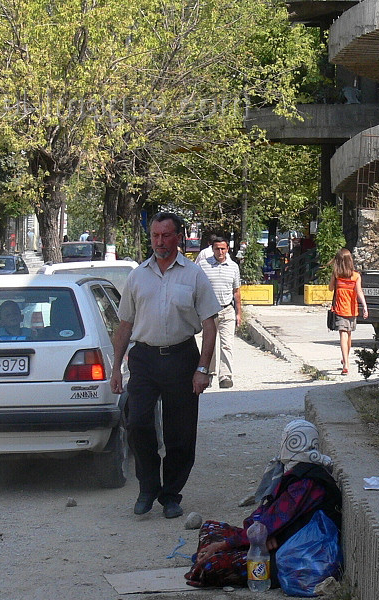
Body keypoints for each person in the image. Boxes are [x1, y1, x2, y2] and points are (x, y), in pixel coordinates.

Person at [110, 212, 220, 519]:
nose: (160, 242)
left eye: (166, 235)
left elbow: (210, 324)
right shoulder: (137, 276)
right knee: (138, 423)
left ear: (178, 237)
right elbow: (124, 325)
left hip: (182, 357)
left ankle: (171, 494)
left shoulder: (194, 275)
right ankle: (148, 487)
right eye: (155, 236)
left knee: (180, 434)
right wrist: (116, 368)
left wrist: (203, 369)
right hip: (144, 358)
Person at [184, 419, 342, 588]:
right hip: (275, 537)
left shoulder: (307, 482)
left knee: (212, 565)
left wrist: (225, 545)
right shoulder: (292, 472)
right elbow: (266, 515)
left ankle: (204, 562)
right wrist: (262, 535)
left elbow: (272, 522)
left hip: (290, 553)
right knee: (210, 528)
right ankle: (205, 558)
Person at [198, 236, 241, 389]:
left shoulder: (233, 266)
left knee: (227, 344)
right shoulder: (203, 265)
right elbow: (197, 288)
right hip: (209, 312)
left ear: (227, 249)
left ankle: (226, 376)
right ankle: (208, 374)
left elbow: (236, 291)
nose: (220, 251)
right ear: (212, 249)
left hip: (227, 310)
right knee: (209, 344)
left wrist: (238, 313)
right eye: (217, 249)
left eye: (223, 249)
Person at [329, 248, 368, 375]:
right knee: (348, 335)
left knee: (344, 335)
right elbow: (359, 292)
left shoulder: (336, 275)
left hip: (340, 309)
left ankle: (345, 362)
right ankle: (345, 360)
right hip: (352, 309)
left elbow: (330, 289)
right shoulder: (356, 276)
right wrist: (365, 307)